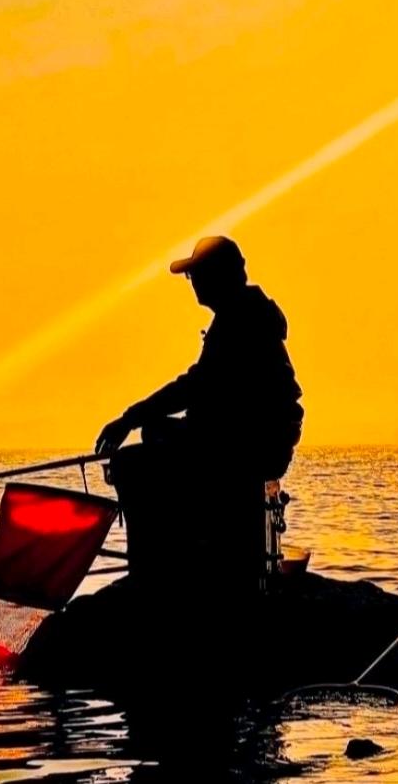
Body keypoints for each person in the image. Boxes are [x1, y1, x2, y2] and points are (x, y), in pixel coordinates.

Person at [95, 236, 303, 591]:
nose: (193, 285)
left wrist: (129, 417)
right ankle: (183, 554)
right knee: (155, 434)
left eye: (196, 275)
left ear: (219, 276)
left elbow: (196, 386)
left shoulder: (240, 320)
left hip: (248, 445)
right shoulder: (243, 315)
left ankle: (153, 573)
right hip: (248, 438)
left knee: (132, 465)